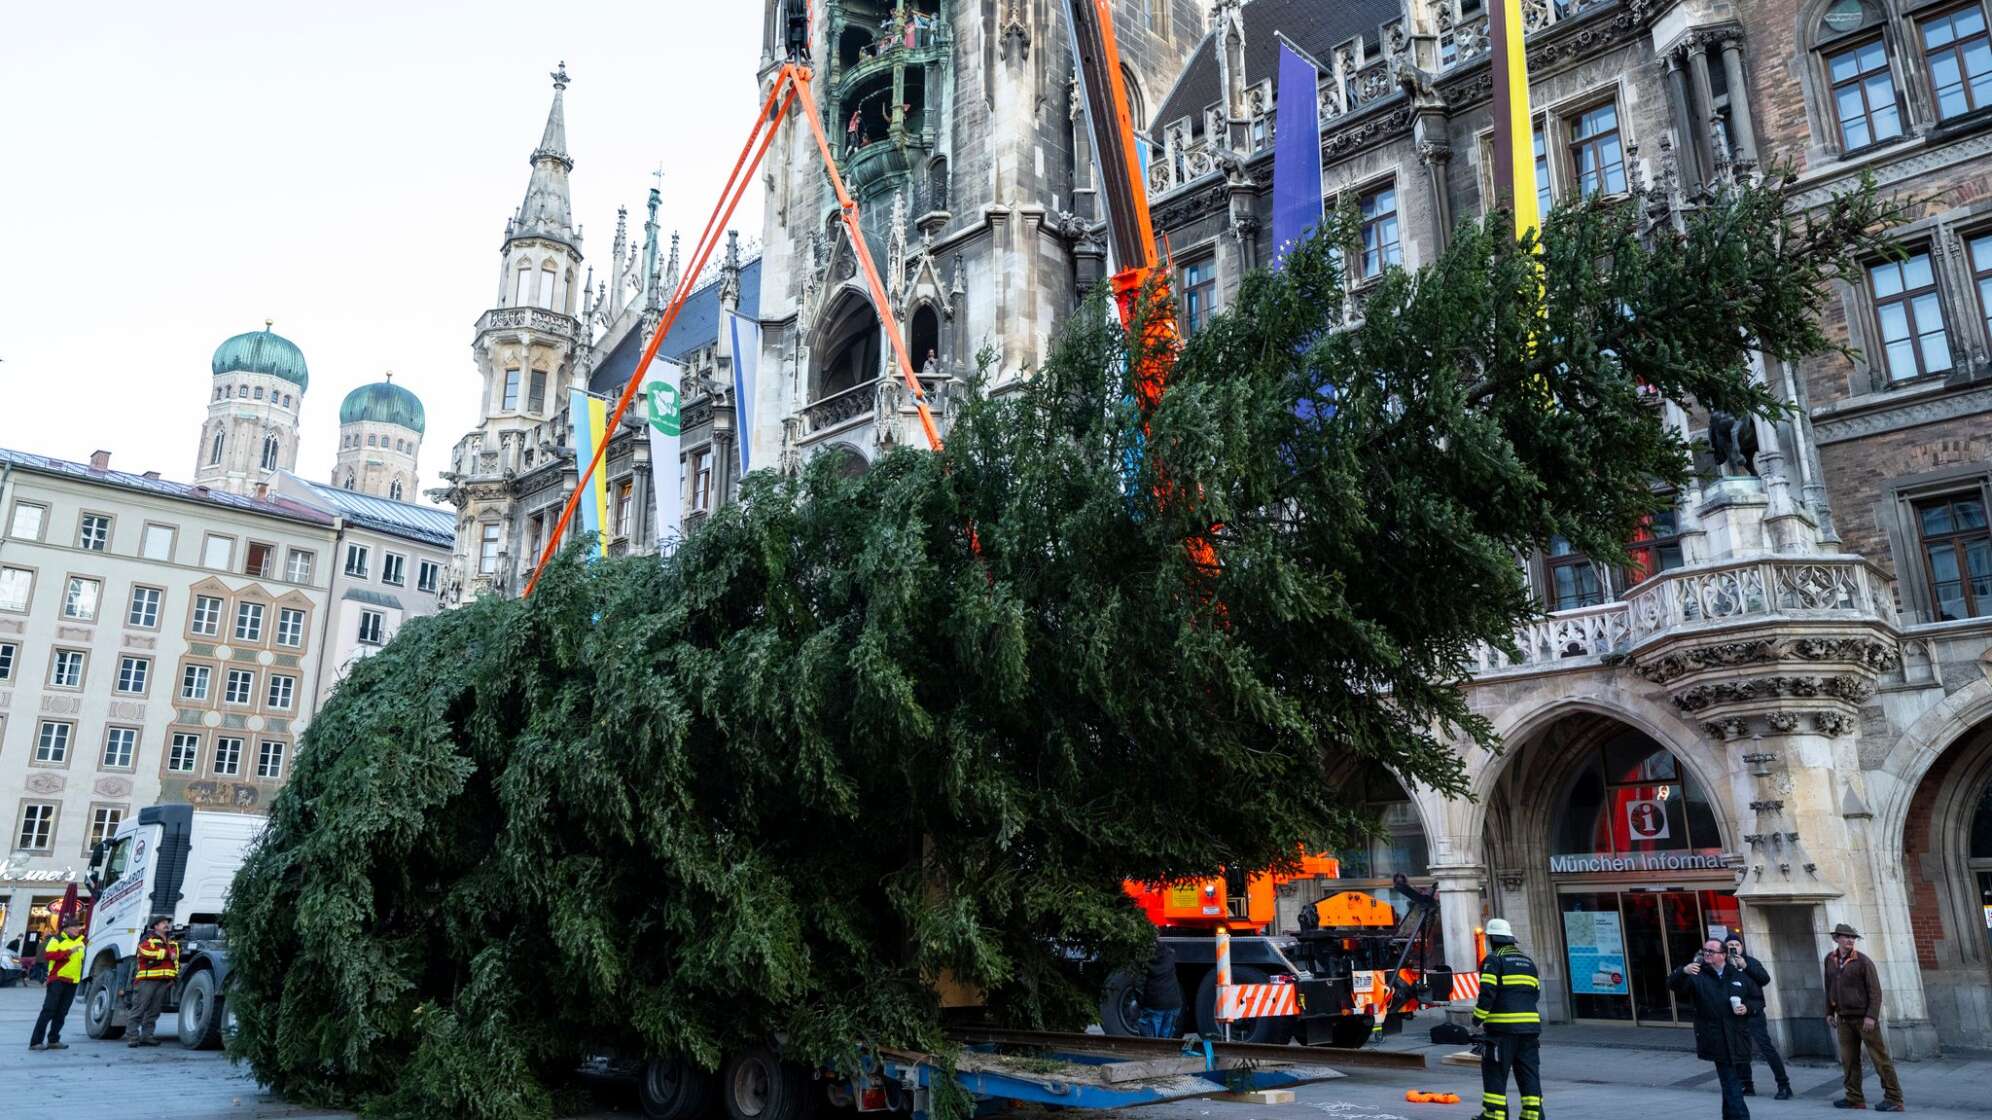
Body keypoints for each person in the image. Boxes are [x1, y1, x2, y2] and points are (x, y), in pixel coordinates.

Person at [1669, 939, 1764, 1120]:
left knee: (1730, 1081)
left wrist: (1748, 1008)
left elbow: (1758, 999)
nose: (1707, 954)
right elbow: (1672, 985)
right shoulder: (1697, 975)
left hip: (1737, 1034)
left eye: (1711, 951)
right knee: (1730, 1080)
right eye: (1705, 950)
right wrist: (1683, 971)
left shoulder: (1737, 975)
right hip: (1714, 1036)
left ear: (1723, 955)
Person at [1824, 922, 1904, 1112]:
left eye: (1853, 937)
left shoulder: (1863, 961)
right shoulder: (1830, 959)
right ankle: (1854, 1097)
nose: (1850, 940)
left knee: (1879, 1059)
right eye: (1846, 937)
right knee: (1849, 1060)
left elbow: (1875, 992)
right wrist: (1829, 1012)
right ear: (1836, 939)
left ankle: (1894, 1098)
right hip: (1843, 1018)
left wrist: (1871, 1016)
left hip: (1864, 1019)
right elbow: (1829, 987)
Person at [1472, 918, 1543, 1120]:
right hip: (1530, 1030)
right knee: (1528, 1073)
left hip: (1502, 1032)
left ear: (1492, 939)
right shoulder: (1528, 961)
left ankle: (1494, 1115)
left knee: (1495, 1072)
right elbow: (1535, 993)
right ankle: (1533, 1115)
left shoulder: (1494, 960)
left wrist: (1477, 1020)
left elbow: (1487, 993)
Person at [1724, 936, 1791, 1100]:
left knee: (1766, 1049)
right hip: (1735, 1015)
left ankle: (1784, 1085)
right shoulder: (1725, 966)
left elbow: (1764, 979)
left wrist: (1745, 967)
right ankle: (1747, 1085)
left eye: (1736, 945)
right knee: (1740, 1051)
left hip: (1754, 1014)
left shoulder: (1751, 962)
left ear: (1742, 947)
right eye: (1730, 945)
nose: (1734, 948)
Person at [28, 915, 86, 1051]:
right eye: (75, 926)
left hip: (73, 981)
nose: (78, 929)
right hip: (57, 979)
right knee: (48, 1010)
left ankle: (53, 1040)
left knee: (62, 1012)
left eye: (78, 926)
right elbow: (48, 955)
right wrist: (68, 952)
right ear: (66, 929)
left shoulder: (81, 942)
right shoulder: (56, 939)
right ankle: (35, 1042)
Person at [129, 915, 180, 1047]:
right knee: (140, 1008)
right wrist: (168, 954)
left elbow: (176, 961)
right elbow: (145, 951)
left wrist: (174, 977)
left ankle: (147, 1036)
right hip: (147, 980)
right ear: (155, 926)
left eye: (167, 922)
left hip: (164, 981)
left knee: (154, 1010)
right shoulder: (148, 939)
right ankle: (133, 1037)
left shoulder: (172, 942)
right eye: (163, 923)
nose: (166, 925)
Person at [1136, 936, 1183, 1038]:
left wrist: (1141, 1004)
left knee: (1150, 1040)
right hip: (1174, 1003)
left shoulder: (1144, 960)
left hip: (1154, 1004)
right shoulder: (1170, 954)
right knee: (1165, 1040)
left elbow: (1138, 984)